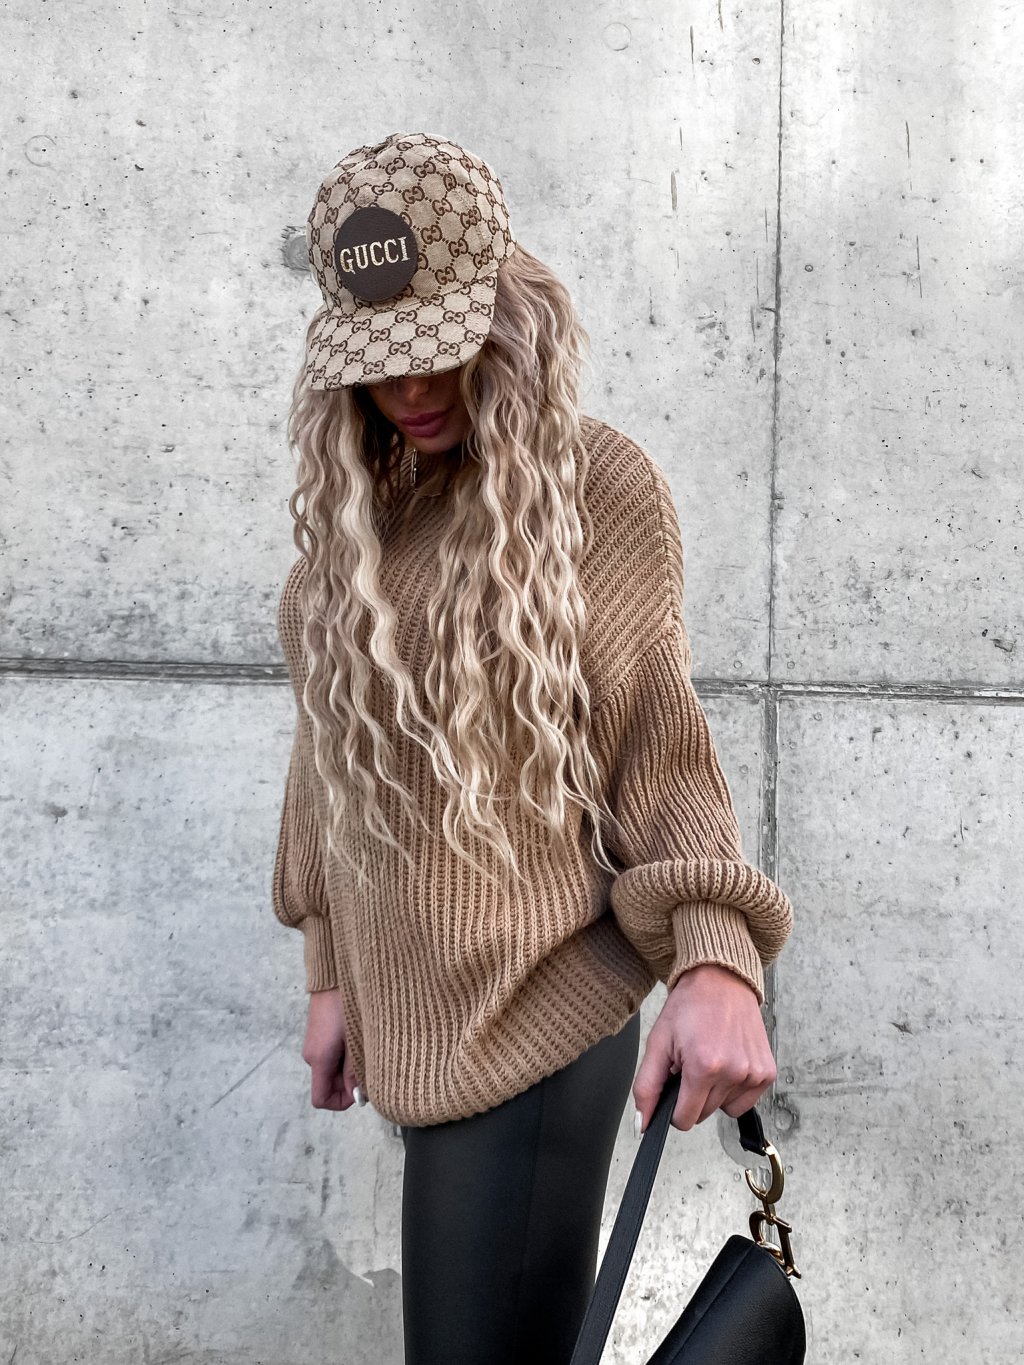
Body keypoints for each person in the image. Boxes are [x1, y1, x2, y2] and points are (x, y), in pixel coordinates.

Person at [272, 132, 793, 1365]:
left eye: (440, 348)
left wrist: (716, 958)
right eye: (380, 364)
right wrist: (331, 974)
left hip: (537, 1006)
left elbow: (657, 742)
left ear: (506, 317)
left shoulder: (591, 484)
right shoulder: (364, 514)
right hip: (413, 1021)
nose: (411, 388)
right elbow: (328, 767)